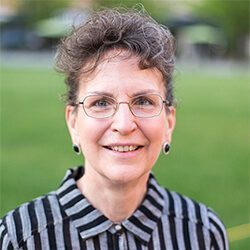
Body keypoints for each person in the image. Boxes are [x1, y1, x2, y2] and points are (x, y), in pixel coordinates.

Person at [0, 8, 228, 250]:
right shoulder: (18, 238)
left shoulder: (203, 232)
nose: (123, 124)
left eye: (143, 101)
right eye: (100, 103)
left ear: (169, 122)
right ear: (73, 122)